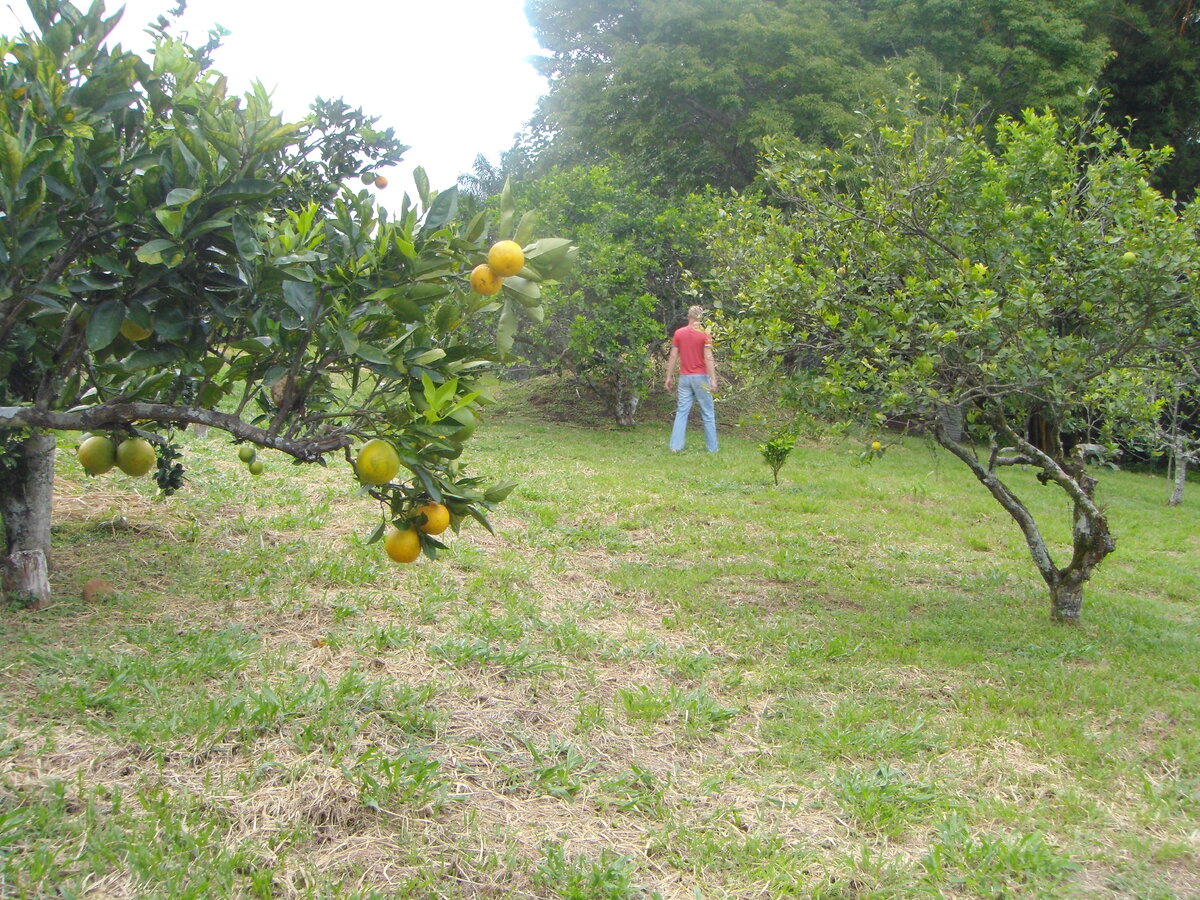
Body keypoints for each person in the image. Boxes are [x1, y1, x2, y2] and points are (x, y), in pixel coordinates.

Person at [664, 305, 718, 452]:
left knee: (682, 412)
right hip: (701, 377)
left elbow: (673, 355)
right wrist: (713, 379)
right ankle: (712, 448)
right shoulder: (705, 334)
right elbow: (708, 356)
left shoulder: (679, 333)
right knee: (707, 412)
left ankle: (675, 446)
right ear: (701, 318)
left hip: (685, 377)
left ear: (688, 317)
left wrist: (669, 376)